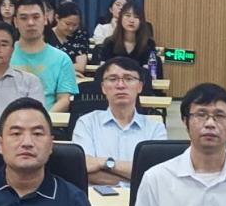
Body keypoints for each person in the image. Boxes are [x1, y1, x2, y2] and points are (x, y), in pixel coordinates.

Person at [72, 57, 168, 186]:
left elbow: (156, 173)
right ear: (103, 87)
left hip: (141, 198)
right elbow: (84, 170)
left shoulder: (155, 128)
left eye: (128, 79)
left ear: (140, 87)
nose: (121, 85)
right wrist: (134, 179)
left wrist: (105, 163)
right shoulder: (86, 123)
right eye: (113, 79)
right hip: (98, 198)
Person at [10, 0, 79, 112]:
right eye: (24, 18)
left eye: (36, 17)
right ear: (15, 22)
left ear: (46, 19)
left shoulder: (61, 59)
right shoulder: (4, 55)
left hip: (47, 120)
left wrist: (43, 118)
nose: (30, 23)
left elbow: (64, 100)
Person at [94, 1, 162, 78]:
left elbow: (149, 73)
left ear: (141, 21)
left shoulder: (149, 44)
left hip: (139, 83)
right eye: (127, 15)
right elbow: (103, 72)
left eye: (136, 17)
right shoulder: (109, 42)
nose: (131, 20)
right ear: (120, 19)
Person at [50, 2, 91, 74]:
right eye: (67, 24)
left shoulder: (80, 35)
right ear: (57, 18)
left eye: (75, 25)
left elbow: (80, 67)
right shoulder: (46, 35)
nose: (71, 28)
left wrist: (55, 67)